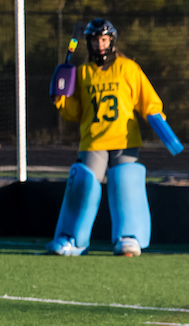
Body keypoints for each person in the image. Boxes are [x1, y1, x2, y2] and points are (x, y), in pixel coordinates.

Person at [46, 18, 168, 257]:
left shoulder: (128, 68)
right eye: (95, 40)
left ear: (111, 41)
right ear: (88, 43)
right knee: (83, 183)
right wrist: (61, 100)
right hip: (93, 140)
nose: (100, 45)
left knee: (126, 181)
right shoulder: (82, 73)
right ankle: (72, 239)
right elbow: (75, 112)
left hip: (124, 140)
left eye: (104, 39)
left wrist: (157, 118)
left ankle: (129, 237)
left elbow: (148, 100)